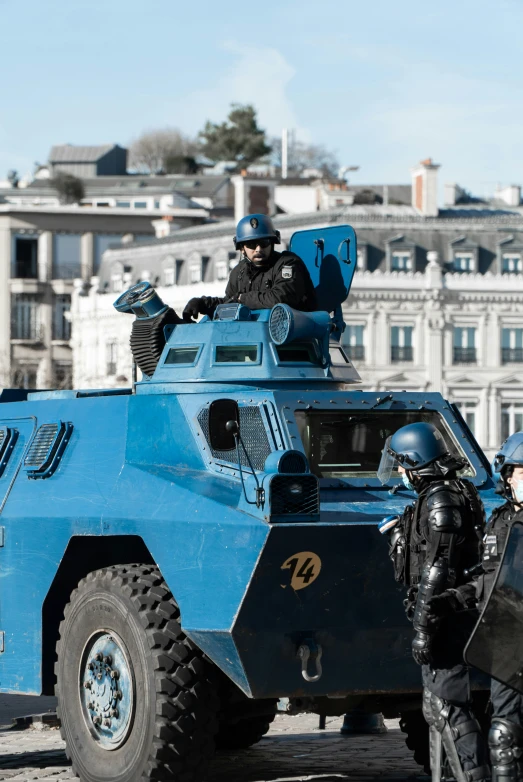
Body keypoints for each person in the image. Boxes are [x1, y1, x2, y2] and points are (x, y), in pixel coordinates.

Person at [377, 421, 489, 782]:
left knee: (448, 706)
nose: (399, 472)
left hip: (447, 616)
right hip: (454, 610)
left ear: (415, 461)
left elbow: (437, 570)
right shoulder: (453, 491)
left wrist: (425, 628)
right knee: (436, 706)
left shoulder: (440, 499)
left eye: (401, 464)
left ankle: (474, 776)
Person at [432, 432, 523, 782]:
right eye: (522, 473)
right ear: (506, 476)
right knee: (504, 733)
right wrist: (454, 597)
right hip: (506, 640)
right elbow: (489, 578)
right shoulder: (500, 521)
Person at [182, 214, 316, 321]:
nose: (258, 249)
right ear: (242, 248)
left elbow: (281, 299)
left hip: (293, 341)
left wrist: (243, 299)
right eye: (252, 244)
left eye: (264, 243)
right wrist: (203, 304)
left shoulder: (288, 264)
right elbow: (230, 303)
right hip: (251, 340)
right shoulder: (239, 272)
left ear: (272, 243)